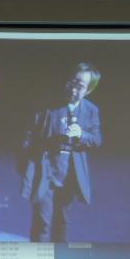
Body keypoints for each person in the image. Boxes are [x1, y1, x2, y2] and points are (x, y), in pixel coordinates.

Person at [20, 63, 102, 242]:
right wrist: (25, 169)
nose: (73, 89)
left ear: (88, 90)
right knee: (42, 223)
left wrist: (82, 134)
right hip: (46, 173)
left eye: (79, 86)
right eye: (71, 83)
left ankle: (60, 257)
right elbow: (28, 138)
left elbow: (97, 140)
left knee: (63, 222)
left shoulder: (91, 110)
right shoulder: (46, 105)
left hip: (70, 176)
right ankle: (38, 258)